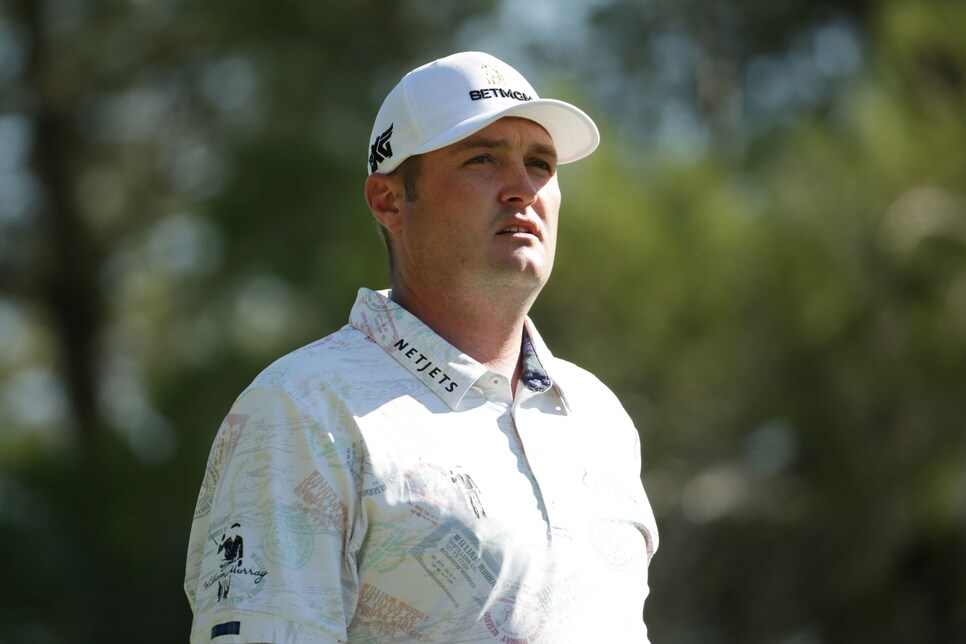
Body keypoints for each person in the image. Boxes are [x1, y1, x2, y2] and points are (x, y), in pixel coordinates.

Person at [185, 51, 659, 643]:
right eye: (482, 159)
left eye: (540, 163)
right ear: (388, 201)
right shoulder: (300, 410)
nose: (522, 188)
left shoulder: (599, 416)